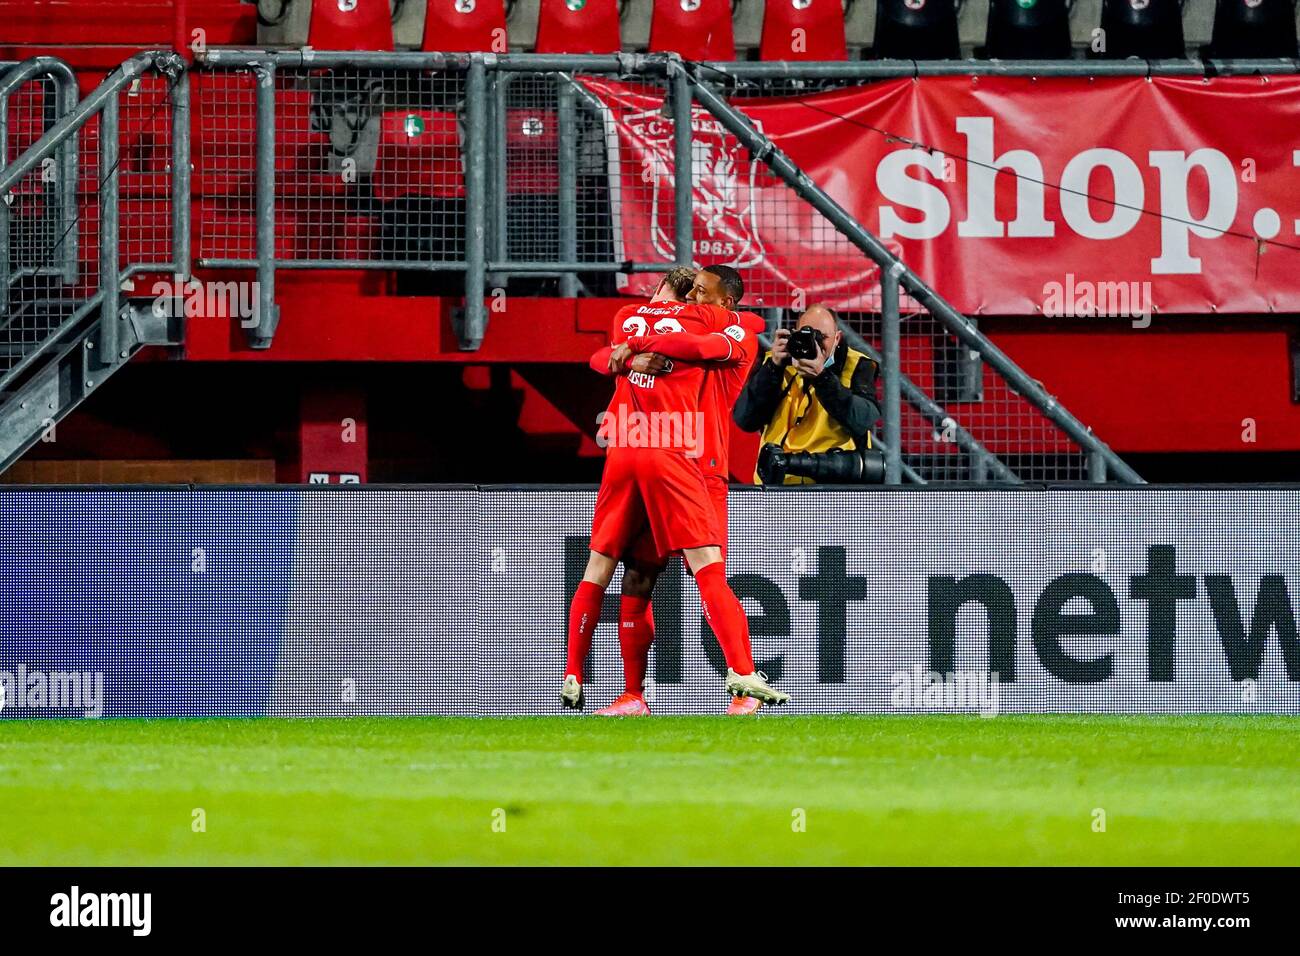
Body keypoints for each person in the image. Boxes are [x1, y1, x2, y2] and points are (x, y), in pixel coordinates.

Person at [562, 266, 788, 713]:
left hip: (700, 467)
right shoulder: (675, 321)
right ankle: (632, 695)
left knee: (709, 575)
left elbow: (745, 326)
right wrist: (626, 357)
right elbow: (601, 355)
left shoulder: (732, 332)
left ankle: (744, 690)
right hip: (659, 455)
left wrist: (634, 346)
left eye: (703, 293)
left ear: (725, 302)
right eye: (692, 292)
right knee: (638, 574)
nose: (694, 301)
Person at [733, 304, 880, 485]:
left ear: (837, 338)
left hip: (832, 486)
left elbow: (862, 419)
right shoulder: (776, 361)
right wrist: (773, 368)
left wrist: (822, 377)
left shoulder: (857, 365)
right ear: (794, 334)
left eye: (823, 337)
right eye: (808, 336)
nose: (815, 344)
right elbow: (745, 420)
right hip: (777, 484)